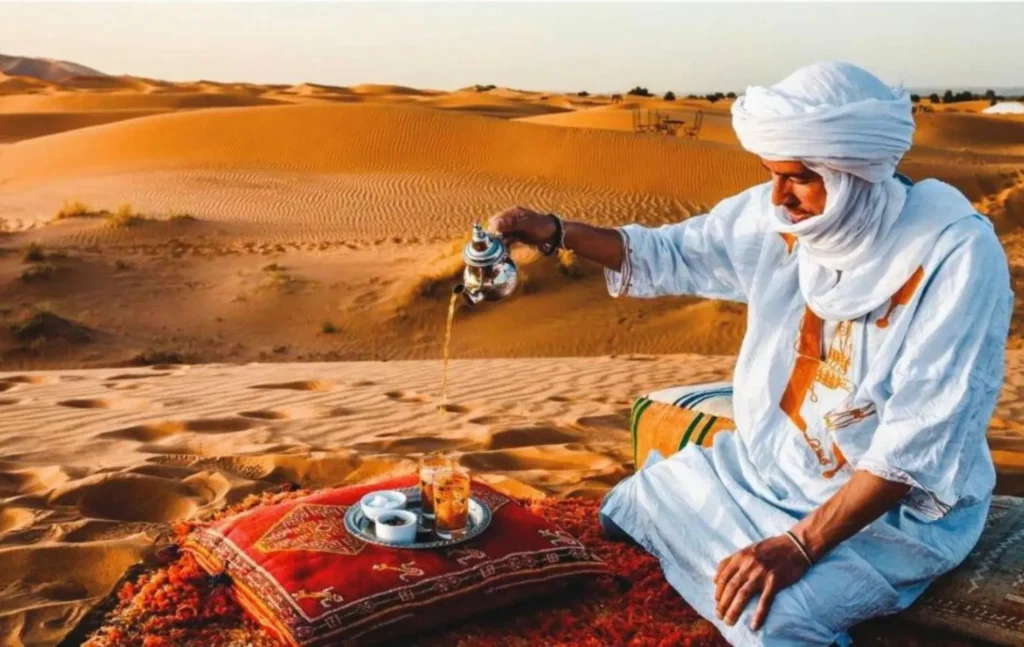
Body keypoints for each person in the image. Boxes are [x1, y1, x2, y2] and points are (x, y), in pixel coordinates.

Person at [490, 62, 1013, 646]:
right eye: (770, 174)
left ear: (856, 172)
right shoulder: (781, 216)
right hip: (774, 466)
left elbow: (918, 440)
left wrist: (798, 545)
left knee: (771, 624)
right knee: (627, 506)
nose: (778, 198)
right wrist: (556, 231)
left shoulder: (955, 254)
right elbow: (670, 252)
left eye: (798, 178)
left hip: (889, 512)